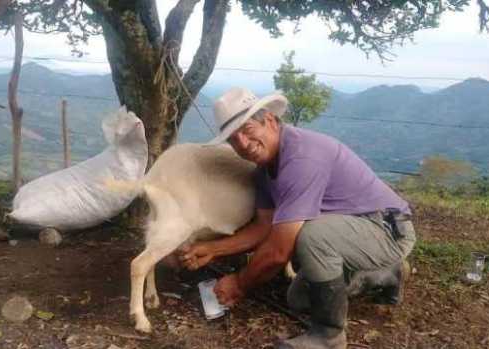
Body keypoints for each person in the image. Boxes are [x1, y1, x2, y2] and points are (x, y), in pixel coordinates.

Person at [178, 87, 416, 349]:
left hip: (386, 230)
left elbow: (279, 251)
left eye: (247, 130)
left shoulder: (302, 157)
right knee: (299, 299)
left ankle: (329, 335)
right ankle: (386, 274)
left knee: (311, 237)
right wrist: (213, 248)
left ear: (269, 121)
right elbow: (263, 227)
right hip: (352, 232)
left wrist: (239, 283)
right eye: (234, 140)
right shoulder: (266, 169)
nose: (243, 145)